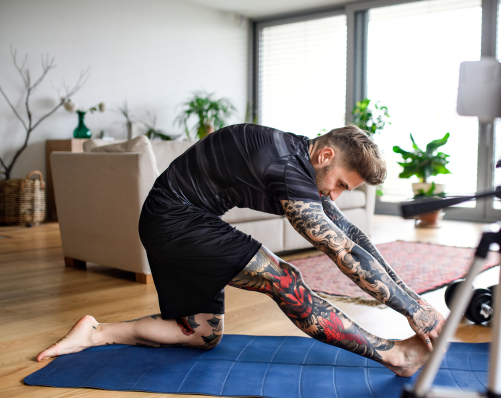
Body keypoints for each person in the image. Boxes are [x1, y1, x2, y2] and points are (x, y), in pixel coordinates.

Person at [37, 124, 445, 377]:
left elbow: (355, 237)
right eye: (339, 183)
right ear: (325, 155)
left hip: (172, 221)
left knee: (199, 333)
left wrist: (413, 299)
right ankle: (393, 356)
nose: (334, 195)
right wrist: (412, 311)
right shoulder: (287, 168)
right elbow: (344, 255)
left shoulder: (299, 161)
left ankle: (96, 332)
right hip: (175, 220)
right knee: (285, 279)